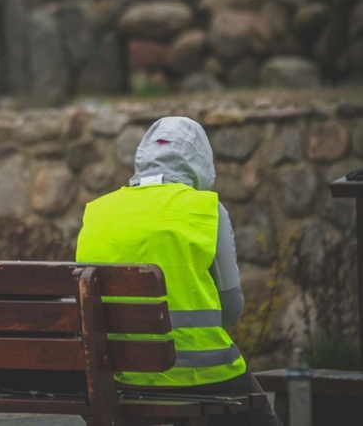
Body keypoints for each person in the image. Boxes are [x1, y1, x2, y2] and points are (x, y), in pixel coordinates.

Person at [75, 116, 282, 426]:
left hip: (117, 376)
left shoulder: (97, 211)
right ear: (201, 163)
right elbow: (232, 308)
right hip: (201, 373)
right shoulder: (207, 209)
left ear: (143, 157)